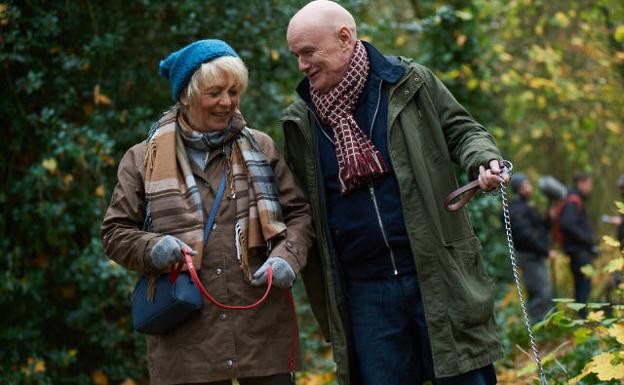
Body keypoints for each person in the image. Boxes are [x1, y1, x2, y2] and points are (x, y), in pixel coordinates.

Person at [281, 1, 508, 384]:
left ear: (344, 38)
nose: (301, 65)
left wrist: (483, 160)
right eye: (296, 55)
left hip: (436, 273)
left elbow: (464, 131)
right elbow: (300, 206)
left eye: (308, 52)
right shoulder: (300, 122)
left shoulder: (411, 82)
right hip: (365, 293)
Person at [101, 39, 314, 385]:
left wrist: (287, 257)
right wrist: (154, 249)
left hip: (260, 330)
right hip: (186, 340)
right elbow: (114, 233)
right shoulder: (142, 159)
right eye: (214, 92)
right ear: (186, 95)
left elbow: (299, 214)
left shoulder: (261, 146)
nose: (227, 102)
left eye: (234, 91)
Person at [508, 173, 554, 322]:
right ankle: (540, 332)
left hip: (535, 256)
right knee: (539, 294)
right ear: (518, 189)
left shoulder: (527, 206)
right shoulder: (517, 209)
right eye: (524, 186)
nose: (528, 189)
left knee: (544, 293)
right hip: (529, 257)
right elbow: (526, 237)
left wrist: (548, 218)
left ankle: (546, 328)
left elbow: (540, 230)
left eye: (528, 185)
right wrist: (546, 251)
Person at [560, 172, 595, 314]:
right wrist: (587, 239)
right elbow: (568, 224)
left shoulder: (573, 199)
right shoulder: (573, 201)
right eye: (589, 184)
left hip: (578, 250)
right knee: (582, 287)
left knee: (582, 286)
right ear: (581, 183)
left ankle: (581, 319)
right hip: (579, 252)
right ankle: (582, 320)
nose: (590, 188)